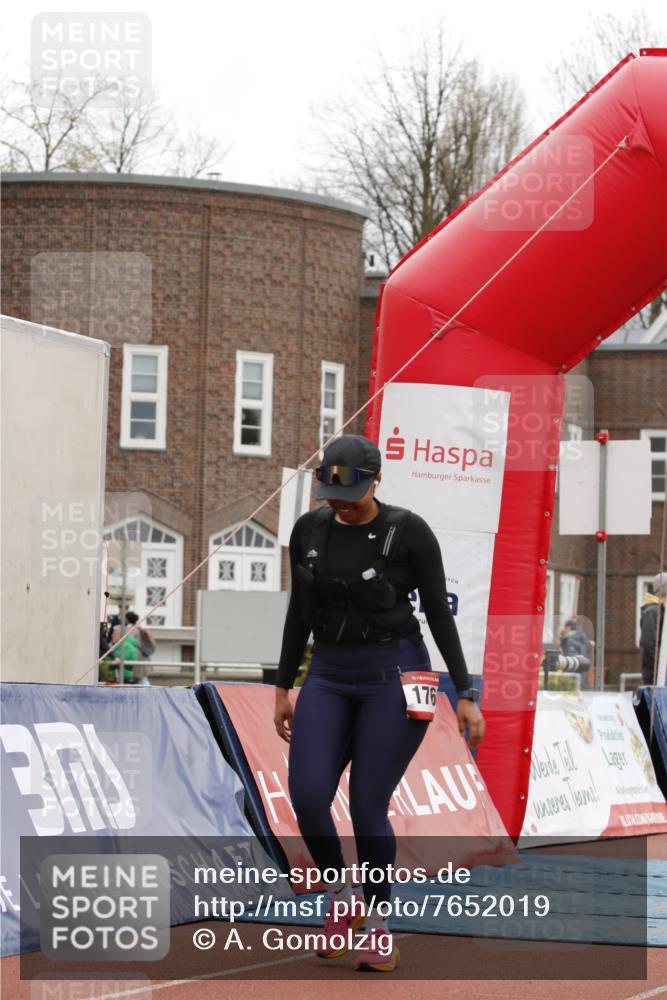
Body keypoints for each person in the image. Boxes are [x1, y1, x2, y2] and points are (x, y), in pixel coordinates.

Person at [274, 433, 484, 973]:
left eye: (351, 493)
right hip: (329, 672)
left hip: (396, 673)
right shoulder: (309, 532)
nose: (339, 503)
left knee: (368, 803)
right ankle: (343, 900)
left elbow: (439, 613)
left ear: (376, 481)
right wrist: (282, 686)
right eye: (330, 494)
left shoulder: (408, 532)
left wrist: (465, 693)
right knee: (306, 793)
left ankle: (381, 925)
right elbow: (300, 611)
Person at [640, 573, 667, 686]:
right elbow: (649, 644)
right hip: (657, 675)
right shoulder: (653, 611)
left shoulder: (662, 610)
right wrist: (661, 667)